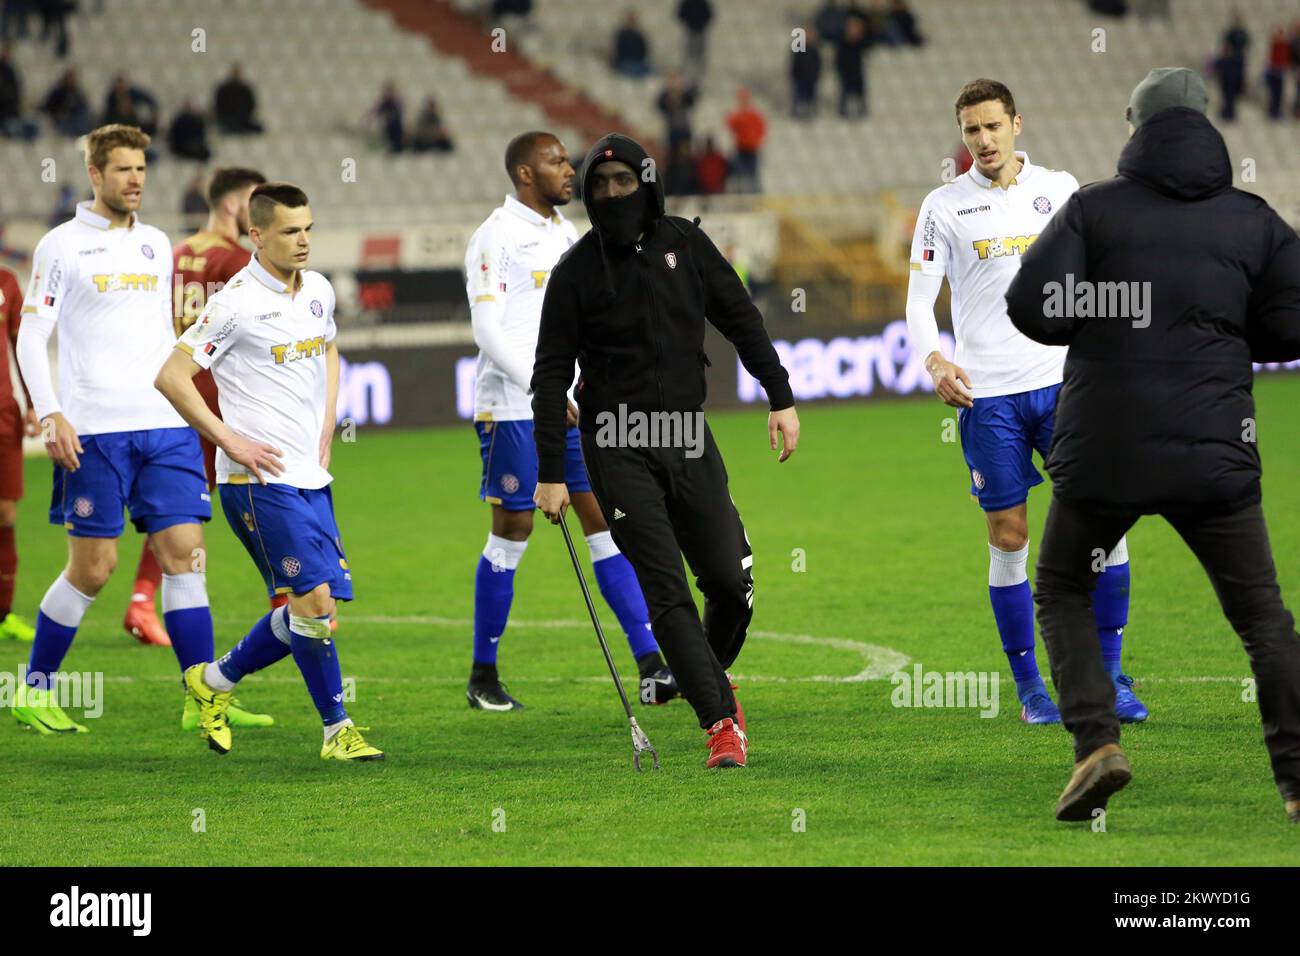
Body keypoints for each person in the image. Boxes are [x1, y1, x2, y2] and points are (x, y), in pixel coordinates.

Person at [1005, 67, 1300, 824]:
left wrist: (1099, 315)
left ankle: (1097, 744)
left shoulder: (1095, 210)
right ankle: (1296, 781)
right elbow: (1292, 325)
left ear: (1135, 128)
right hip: (1215, 452)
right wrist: (1232, 334)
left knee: (1063, 585)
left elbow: (1031, 306)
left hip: (1106, 447)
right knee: (1264, 619)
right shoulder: (1253, 218)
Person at [531, 132, 800, 769]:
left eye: (623, 182)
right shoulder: (574, 273)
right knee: (666, 590)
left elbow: (740, 316)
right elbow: (549, 376)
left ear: (647, 184)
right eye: (598, 186)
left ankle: (707, 671)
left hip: (685, 432)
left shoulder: (686, 242)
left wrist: (779, 395)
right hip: (615, 442)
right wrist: (549, 472)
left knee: (731, 586)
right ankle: (720, 723)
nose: (610, 194)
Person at [12, 124, 272, 734]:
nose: (135, 179)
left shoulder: (158, 244)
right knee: (94, 568)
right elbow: (32, 334)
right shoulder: (61, 246)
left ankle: (203, 698)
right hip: (95, 430)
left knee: (187, 558)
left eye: (142, 169)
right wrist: (50, 411)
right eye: (123, 169)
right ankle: (33, 689)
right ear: (96, 175)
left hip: (165, 425)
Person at [906, 78, 1144, 726]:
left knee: (1104, 521)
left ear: (1017, 123)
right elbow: (918, 303)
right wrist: (934, 358)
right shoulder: (944, 206)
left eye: (991, 127)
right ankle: (1032, 689)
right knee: (1009, 535)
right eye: (970, 130)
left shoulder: (1060, 191)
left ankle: (1113, 677)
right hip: (989, 399)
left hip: (1066, 384)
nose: (981, 140)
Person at [156, 182, 383, 762]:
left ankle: (213, 682)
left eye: (308, 227)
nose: (303, 240)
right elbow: (172, 377)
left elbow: (329, 347)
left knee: (319, 611)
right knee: (311, 603)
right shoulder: (234, 302)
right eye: (289, 230)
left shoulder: (320, 290)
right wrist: (229, 439)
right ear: (256, 235)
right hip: (255, 483)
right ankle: (337, 730)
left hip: (308, 474)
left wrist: (328, 421)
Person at [463, 131, 676, 711]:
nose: (569, 170)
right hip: (513, 407)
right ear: (525, 174)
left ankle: (651, 663)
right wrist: (542, 387)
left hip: (574, 406)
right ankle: (483, 675)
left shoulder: (568, 235)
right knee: (514, 531)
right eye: (556, 161)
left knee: (605, 522)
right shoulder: (495, 238)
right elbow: (487, 330)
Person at [123, 166, 269, 651]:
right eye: (255, 199)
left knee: (177, 504)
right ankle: (289, 596)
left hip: (174, 392)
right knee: (246, 488)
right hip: (216, 396)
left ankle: (143, 601)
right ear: (233, 204)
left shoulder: (177, 253)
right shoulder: (238, 262)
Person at [0, 265, 40, 643]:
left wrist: (32, 404)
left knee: (6, 515)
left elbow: (20, 344)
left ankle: (4, 613)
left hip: (3, 415)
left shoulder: (7, 281)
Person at [726, 87, 765, 192]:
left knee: (752, 172)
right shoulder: (737, 114)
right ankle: (741, 190)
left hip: (751, 147)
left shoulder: (754, 115)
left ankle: (754, 190)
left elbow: (762, 128)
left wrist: (756, 139)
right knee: (740, 171)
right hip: (741, 147)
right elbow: (730, 124)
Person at [835, 14, 869, 118]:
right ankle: (843, 112)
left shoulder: (862, 44)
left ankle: (860, 111)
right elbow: (838, 61)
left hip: (857, 75)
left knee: (859, 94)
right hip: (846, 74)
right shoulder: (842, 44)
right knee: (845, 94)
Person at [40, 67, 91, 137]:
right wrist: (57, 113)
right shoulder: (57, 92)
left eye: (73, 78)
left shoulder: (77, 93)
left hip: (74, 121)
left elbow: (82, 107)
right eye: (70, 77)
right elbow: (47, 106)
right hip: (60, 122)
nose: (71, 80)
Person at [213, 64, 262, 134]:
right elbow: (218, 106)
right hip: (227, 121)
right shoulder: (223, 89)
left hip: (242, 120)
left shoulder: (245, 89)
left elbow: (251, 105)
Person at [790, 23, 822, 119]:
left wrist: (815, 74)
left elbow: (817, 64)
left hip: (811, 78)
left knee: (810, 97)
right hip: (800, 77)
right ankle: (798, 113)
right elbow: (795, 63)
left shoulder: (815, 49)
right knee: (799, 96)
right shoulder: (798, 48)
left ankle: (809, 112)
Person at [676, 0, 712, 74]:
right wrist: (687, 23)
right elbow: (680, 14)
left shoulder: (703, 2)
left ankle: (700, 72)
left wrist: (702, 23)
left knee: (700, 54)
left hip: (700, 32)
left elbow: (709, 15)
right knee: (687, 53)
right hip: (689, 31)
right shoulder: (686, 2)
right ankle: (685, 71)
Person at [612, 11, 650, 78]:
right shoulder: (621, 35)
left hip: (638, 63)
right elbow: (619, 51)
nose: (631, 22)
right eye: (630, 19)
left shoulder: (639, 35)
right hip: (625, 63)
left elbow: (644, 50)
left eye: (633, 19)